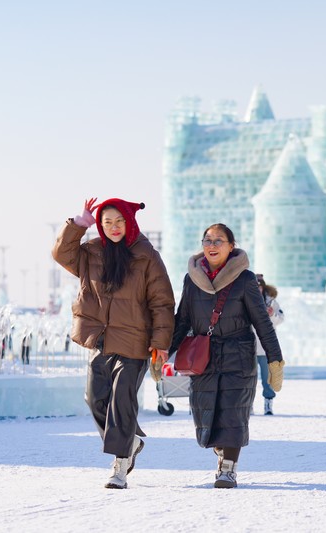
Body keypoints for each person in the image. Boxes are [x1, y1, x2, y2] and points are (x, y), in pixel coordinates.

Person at [52, 197, 175, 490]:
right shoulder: (91, 253)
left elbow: (162, 302)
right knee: (94, 399)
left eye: (119, 221)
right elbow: (61, 253)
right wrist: (77, 225)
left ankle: (120, 466)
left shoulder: (147, 255)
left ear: (129, 222)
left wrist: (160, 342)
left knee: (122, 402)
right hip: (101, 340)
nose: (113, 228)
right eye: (106, 222)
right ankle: (130, 442)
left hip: (135, 342)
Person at [169, 223, 283, 489]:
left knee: (233, 413)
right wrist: (163, 350)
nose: (212, 245)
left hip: (238, 355)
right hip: (203, 358)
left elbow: (262, 323)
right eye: (207, 240)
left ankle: (228, 468)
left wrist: (275, 359)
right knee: (206, 413)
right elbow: (182, 320)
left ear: (232, 246)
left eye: (219, 241)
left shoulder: (244, 279)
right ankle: (222, 451)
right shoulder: (192, 279)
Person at [254, 274, 284, 415]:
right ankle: (248, 404)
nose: (258, 289)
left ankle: (268, 403)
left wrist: (271, 314)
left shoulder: (271, 302)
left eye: (259, 286)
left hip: (266, 347)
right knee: (249, 379)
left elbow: (280, 319)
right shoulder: (246, 300)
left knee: (267, 379)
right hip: (250, 346)